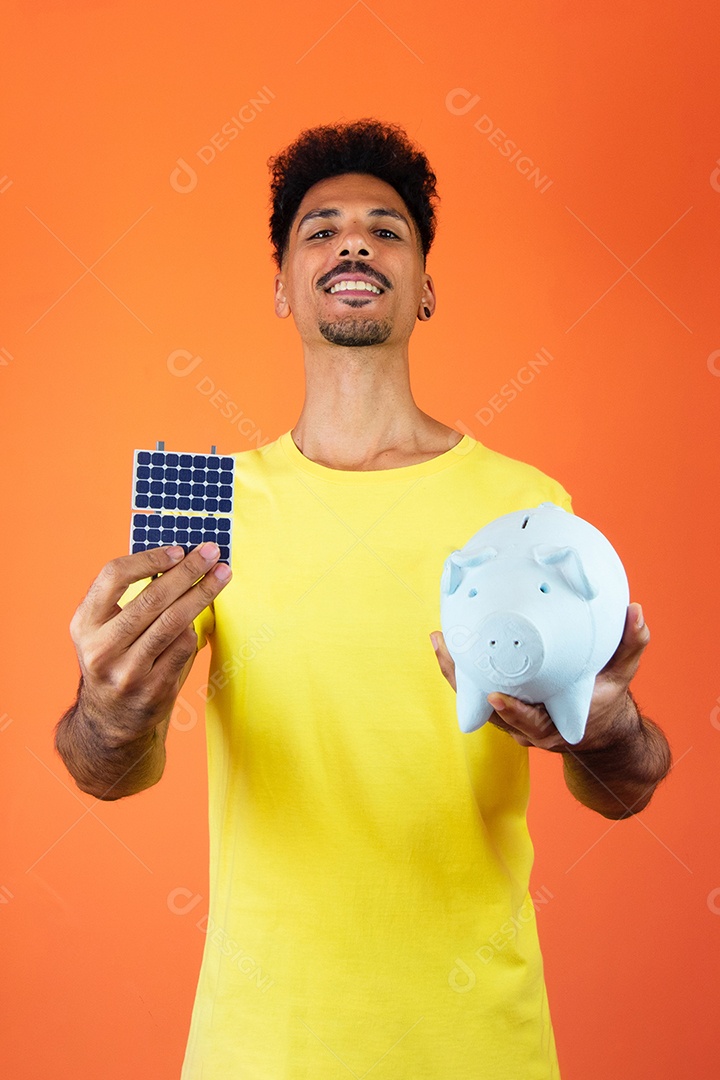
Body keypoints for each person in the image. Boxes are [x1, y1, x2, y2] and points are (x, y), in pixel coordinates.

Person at [55, 119, 672, 1079]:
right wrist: (107, 709)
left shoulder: (525, 510)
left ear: (426, 287)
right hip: (261, 1051)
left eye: (386, 229)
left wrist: (604, 728)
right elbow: (104, 771)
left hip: (481, 1050)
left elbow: (626, 785)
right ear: (282, 289)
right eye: (321, 229)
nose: (353, 242)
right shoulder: (212, 508)